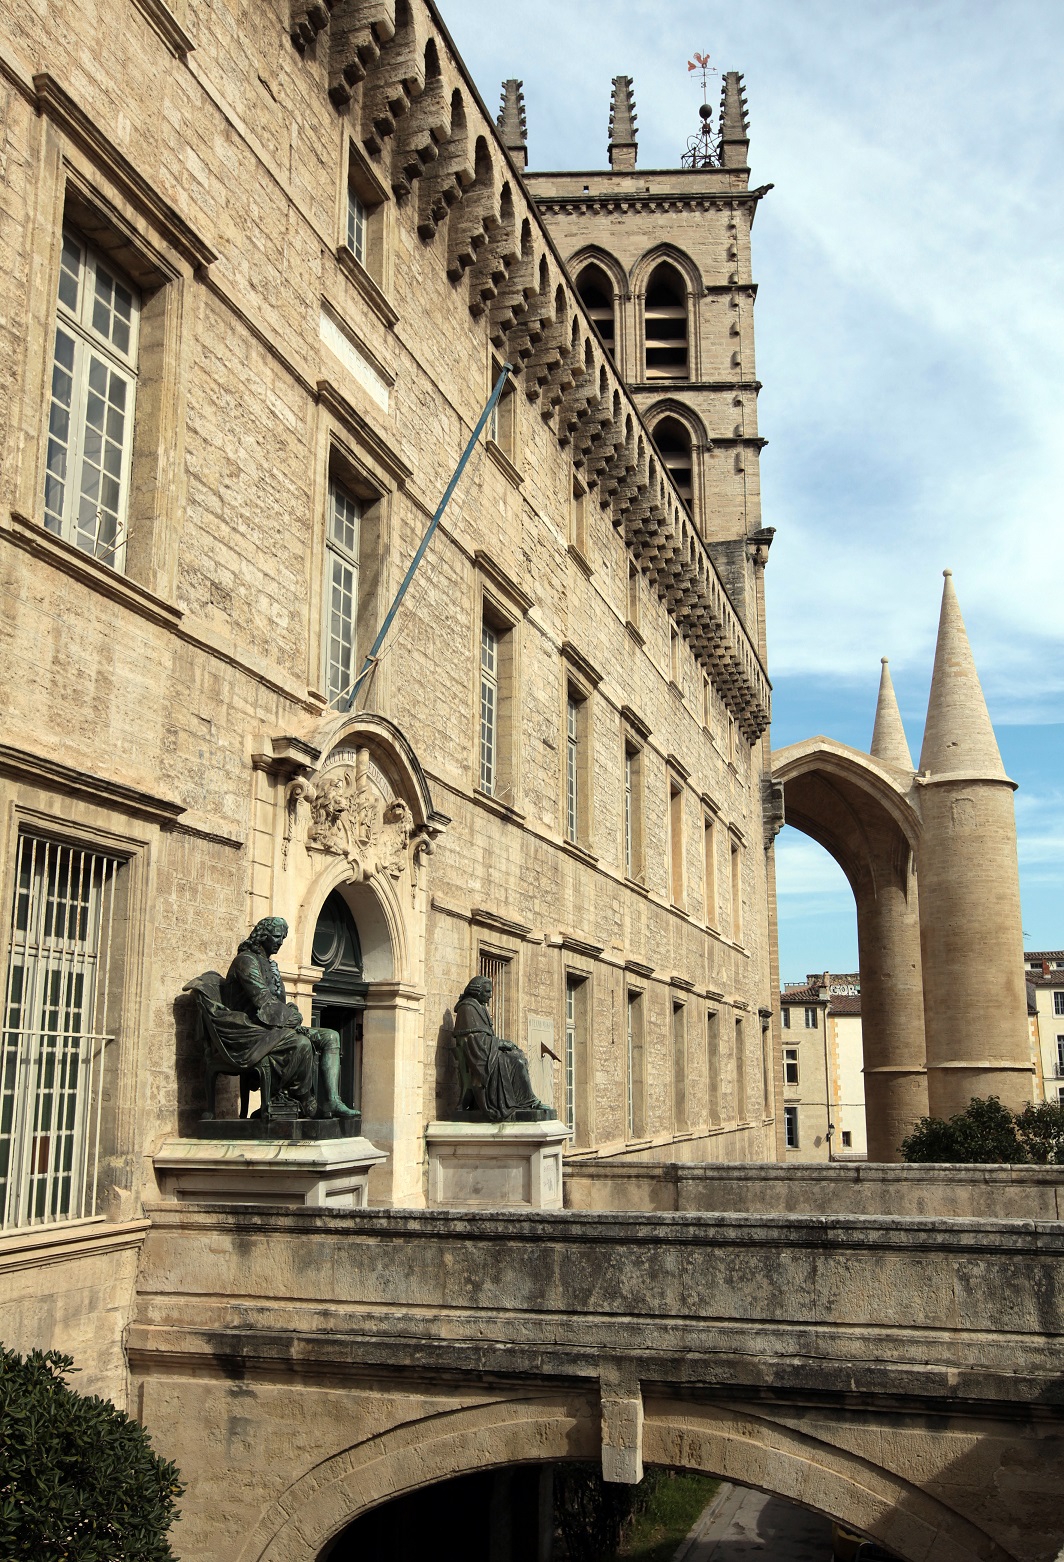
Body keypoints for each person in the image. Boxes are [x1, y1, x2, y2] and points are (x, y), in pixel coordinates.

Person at [213, 916, 356, 1118]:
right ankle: (304, 1099)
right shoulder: (245, 961)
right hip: (253, 1030)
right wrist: (289, 1016)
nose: (280, 942)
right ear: (263, 936)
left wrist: (291, 1009)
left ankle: (333, 1101)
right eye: (277, 937)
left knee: (331, 1036)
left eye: (283, 938)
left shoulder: (270, 965)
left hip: (274, 1025)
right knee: (302, 1044)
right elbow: (262, 1000)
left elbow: (277, 1002)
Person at [452, 975, 548, 1121]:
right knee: (517, 1061)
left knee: (518, 1056)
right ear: (477, 992)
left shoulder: (480, 1007)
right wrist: (500, 1043)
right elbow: (473, 1040)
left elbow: (484, 1037)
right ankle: (526, 1102)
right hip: (479, 1057)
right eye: (488, 992)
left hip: (487, 1052)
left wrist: (500, 1044)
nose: (490, 996)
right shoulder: (467, 1008)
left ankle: (526, 1101)